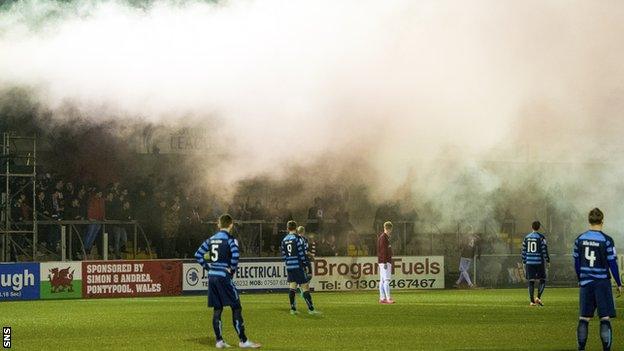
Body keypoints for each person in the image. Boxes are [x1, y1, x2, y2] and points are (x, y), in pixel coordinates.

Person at [194, 214, 261, 349]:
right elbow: (235, 255)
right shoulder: (231, 239)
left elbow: (198, 254)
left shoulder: (212, 239)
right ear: (231, 225)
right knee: (236, 306)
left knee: (217, 308)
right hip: (223, 276)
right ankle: (243, 341)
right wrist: (231, 271)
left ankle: (219, 341)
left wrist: (208, 268)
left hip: (212, 276)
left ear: (219, 225)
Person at [574, 208, 622, 351]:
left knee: (584, 318)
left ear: (589, 220)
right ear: (602, 221)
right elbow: (612, 263)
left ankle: (581, 349)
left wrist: (580, 278)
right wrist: (619, 283)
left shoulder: (579, 239)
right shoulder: (607, 240)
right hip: (602, 283)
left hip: (586, 283)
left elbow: (576, 262)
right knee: (605, 318)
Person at [280, 220, 319, 315]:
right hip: (298, 265)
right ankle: (311, 309)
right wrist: (305, 264)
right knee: (305, 286)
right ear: (295, 228)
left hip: (289, 266)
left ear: (287, 228)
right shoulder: (297, 239)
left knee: (292, 286)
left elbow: (284, 254)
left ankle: (293, 309)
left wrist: (288, 263)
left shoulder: (284, 240)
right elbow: (301, 253)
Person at [521, 221, 550, 306]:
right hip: (538, 262)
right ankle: (538, 297)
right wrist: (547, 260)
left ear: (531, 227)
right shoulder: (541, 237)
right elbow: (544, 249)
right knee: (543, 279)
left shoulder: (526, 237)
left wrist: (524, 261)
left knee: (531, 281)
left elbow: (523, 250)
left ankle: (532, 301)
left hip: (529, 262)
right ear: (539, 227)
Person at [377, 221, 394, 304]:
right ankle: (388, 298)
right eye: (390, 229)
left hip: (382, 261)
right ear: (390, 229)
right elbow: (383, 251)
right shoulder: (384, 238)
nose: (390, 231)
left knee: (382, 280)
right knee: (386, 280)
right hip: (385, 261)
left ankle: (382, 298)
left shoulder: (382, 237)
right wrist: (384, 262)